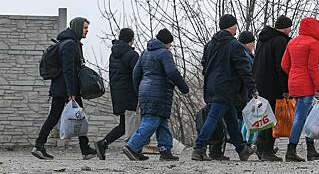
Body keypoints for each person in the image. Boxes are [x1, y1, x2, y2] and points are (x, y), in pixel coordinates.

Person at [191, 14, 257, 162]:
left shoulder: (210, 44)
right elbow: (243, 69)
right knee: (213, 118)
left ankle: (242, 149)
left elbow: (204, 64)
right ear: (232, 26)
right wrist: (252, 88)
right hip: (226, 88)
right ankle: (199, 148)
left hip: (212, 86)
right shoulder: (235, 46)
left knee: (231, 119)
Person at [32, 17, 97, 160]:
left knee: (74, 116)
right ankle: (39, 145)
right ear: (78, 28)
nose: (87, 31)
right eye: (85, 28)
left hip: (65, 87)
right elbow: (68, 70)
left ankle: (84, 148)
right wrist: (71, 92)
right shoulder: (69, 45)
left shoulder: (71, 43)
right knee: (57, 117)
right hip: (66, 88)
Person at [122, 28, 189, 161]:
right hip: (159, 92)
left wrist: (139, 90)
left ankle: (165, 150)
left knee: (162, 120)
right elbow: (172, 72)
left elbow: (136, 74)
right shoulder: (164, 53)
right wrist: (183, 87)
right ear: (166, 42)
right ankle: (132, 146)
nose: (170, 46)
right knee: (151, 121)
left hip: (145, 91)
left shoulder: (145, 53)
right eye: (170, 44)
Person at [95, 28, 145, 160]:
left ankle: (104, 143)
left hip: (118, 93)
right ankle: (134, 150)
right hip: (130, 93)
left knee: (124, 124)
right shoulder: (132, 55)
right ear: (131, 39)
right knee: (133, 122)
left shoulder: (113, 54)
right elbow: (138, 74)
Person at [281, 17, 319, 162]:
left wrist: (294, 75)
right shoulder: (313, 43)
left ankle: (310, 150)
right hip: (307, 84)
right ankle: (291, 150)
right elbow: (313, 68)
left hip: (294, 83)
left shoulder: (292, 42)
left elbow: (284, 64)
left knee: (307, 117)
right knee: (301, 117)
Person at [252, 15, 292, 161]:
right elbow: (281, 67)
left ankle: (261, 148)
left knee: (265, 116)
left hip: (260, 83)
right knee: (272, 118)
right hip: (273, 85)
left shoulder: (264, 40)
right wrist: (286, 88)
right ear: (287, 28)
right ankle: (267, 151)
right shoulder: (280, 41)